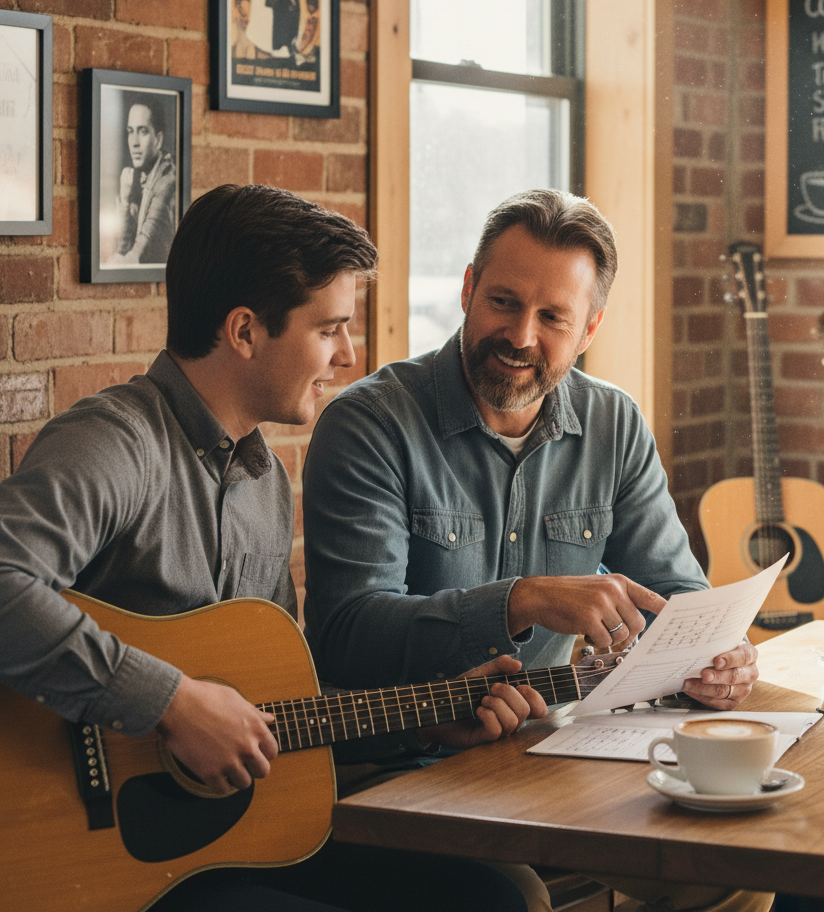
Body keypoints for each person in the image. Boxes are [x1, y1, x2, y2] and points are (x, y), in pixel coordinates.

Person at [0, 183, 541, 912]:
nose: (349, 356)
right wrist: (171, 703)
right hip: (98, 865)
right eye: (329, 329)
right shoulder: (113, 443)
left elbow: (277, 713)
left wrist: (417, 722)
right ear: (246, 332)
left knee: (498, 894)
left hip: (219, 841)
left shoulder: (259, 477)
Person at [302, 188, 771, 912]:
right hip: (398, 763)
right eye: (503, 301)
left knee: (733, 867)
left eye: (552, 317)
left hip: (553, 750)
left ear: (589, 329)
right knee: (512, 895)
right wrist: (518, 601)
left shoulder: (613, 422)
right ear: (466, 290)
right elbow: (346, 639)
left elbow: (680, 598)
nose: (520, 334)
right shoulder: (367, 425)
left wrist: (714, 657)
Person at [112, 96, 176, 265]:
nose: (134, 142)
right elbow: (124, 248)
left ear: (158, 140)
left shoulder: (167, 180)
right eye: (130, 132)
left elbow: (137, 254)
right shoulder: (141, 178)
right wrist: (125, 202)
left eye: (143, 131)